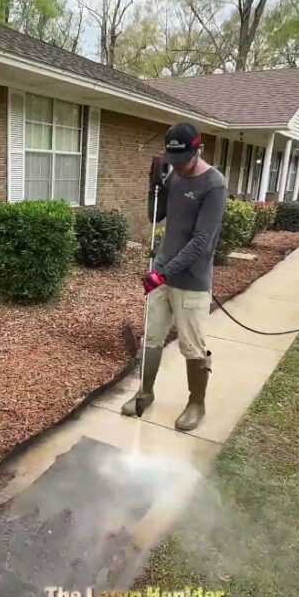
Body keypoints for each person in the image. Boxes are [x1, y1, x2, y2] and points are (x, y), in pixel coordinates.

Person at [121, 122, 227, 433]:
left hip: (191, 281)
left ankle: (197, 403)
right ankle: (145, 392)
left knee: (192, 346)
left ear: (199, 149)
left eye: (185, 161)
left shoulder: (214, 185)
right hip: (162, 275)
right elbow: (156, 216)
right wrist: (154, 184)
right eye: (174, 160)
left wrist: (163, 273)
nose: (179, 166)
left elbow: (201, 241)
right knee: (152, 337)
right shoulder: (174, 177)